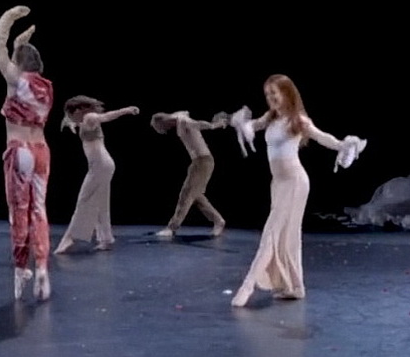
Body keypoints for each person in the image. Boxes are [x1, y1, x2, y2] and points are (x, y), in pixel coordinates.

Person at [228, 74, 368, 307]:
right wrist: (243, 125)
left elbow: (323, 137)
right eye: (267, 94)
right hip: (278, 183)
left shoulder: (298, 120)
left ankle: (248, 286)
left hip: (295, 182)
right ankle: (295, 287)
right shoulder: (270, 118)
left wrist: (343, 145)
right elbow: (253, 125)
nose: (270, 98)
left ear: (286, 93)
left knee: (271, 233)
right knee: (287, 235)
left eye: (274, 93)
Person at [0, 5, 55, 300]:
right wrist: (24, 39)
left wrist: (10, 16)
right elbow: (18, 53)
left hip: (20, 152)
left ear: (18, 63)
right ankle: (41, 267)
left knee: (18, 211)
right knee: (39, 211)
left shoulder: (16, 79)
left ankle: (20, 269)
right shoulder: (45, 87)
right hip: (41, 151)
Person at [54, 96, 139, 254]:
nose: (70, 117)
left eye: (71, 114)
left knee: (84, 200)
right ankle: (106, 239)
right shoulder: (84, 120)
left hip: (100, 165)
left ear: (78, 111)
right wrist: (71, 124)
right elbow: (75, 122)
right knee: (101, 203)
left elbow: (106, 116)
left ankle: (70, 237)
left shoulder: (90, 117)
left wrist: (126, 110)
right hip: (103, 165)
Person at [150, 111, 230, 238]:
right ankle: (218, 221)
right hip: (199, 161)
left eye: (159, 127)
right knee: (195, 196)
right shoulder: (178, 117)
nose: (163, 131)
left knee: (186, 194)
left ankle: (172, 228)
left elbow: (197, 124)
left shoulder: (182, 120)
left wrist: (214, 125)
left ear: (162, 122)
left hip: (203, 161)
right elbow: (185, 112)